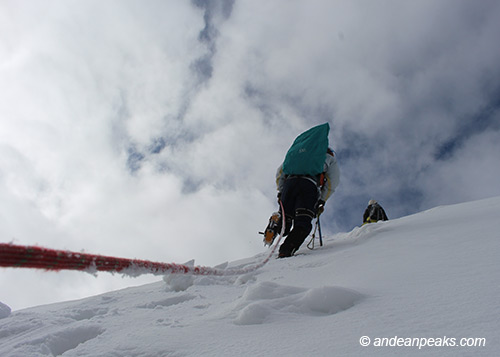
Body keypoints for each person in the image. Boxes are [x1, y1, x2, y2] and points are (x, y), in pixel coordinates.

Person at [275, 147, 340, 258]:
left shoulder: (299, 155)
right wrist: (322, 200)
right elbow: (332, 182)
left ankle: (276, 223)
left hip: (289, 185)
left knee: (286, 218)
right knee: (303, 222)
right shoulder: (328, 159)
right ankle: (286, 250)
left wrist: (281, 191)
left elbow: (280, 172)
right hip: (308, 187)